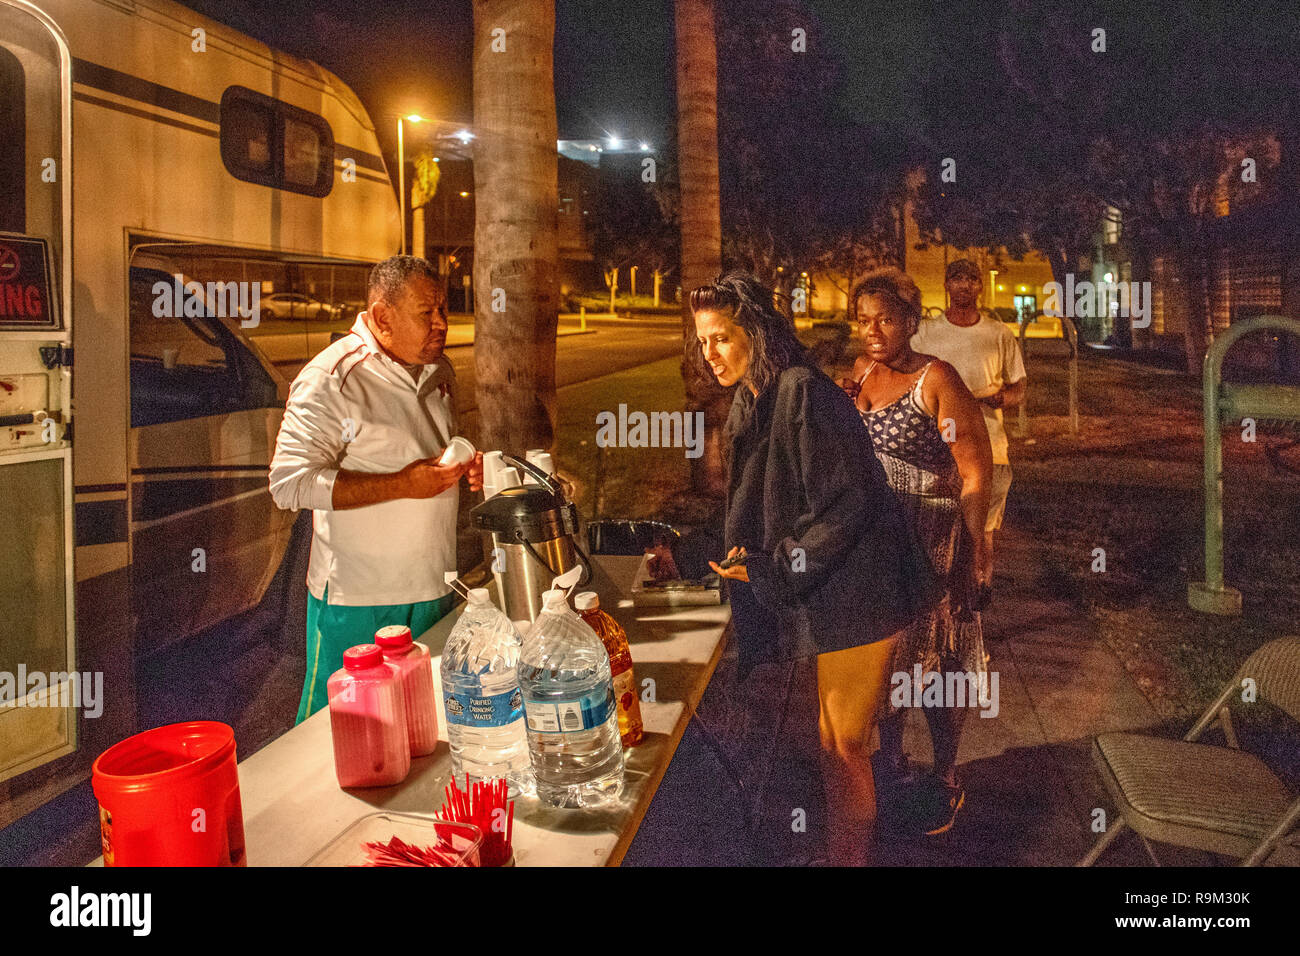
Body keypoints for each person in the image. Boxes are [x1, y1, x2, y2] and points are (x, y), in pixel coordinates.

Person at [696, 271, 936, 866]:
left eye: (721, 338)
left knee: (846, 743)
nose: (710, 354)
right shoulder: (756, 396)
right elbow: (757, 507)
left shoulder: (801, 389)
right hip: (832, 583)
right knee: (831, 742)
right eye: (702, 342)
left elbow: (849, 501)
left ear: (752, 332)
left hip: (866, 584)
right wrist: (696, 549)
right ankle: (839, 856)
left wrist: (778, 567)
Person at [269, 255, 483, 722]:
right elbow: (289, 484)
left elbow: (431, 448)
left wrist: (467, 467)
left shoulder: (439, 370)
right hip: (358, 596)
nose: (442, 324)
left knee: (418, 721)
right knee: (334, 731)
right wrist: (402, 484)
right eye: (426, 313)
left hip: (433, 582)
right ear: (382, 317)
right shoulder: (331, 377)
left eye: (443, 309)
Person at [843, 267, 993, 836]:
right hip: (879, 544)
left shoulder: (938, 380)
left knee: (940, 666)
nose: (874, 331)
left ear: (911, 320)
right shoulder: (862, 373)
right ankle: (891, 760)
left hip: (932, 541)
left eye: (885, 319)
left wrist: (975, 553)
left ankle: (947, 775)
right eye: (864, 320)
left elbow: (976, 472)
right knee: (891, 661)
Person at [911, 259, 1026, 570]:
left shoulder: (998, 333)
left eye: (971, 279)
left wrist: (1002, 398)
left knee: (982, 533)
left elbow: (1019, 387)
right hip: (936, 447)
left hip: (989, 446)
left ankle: (979, 591)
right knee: (933, 530)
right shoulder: (925, 333)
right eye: (956, 278)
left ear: (980, 286)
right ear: (946, 285)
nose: (964, 285)